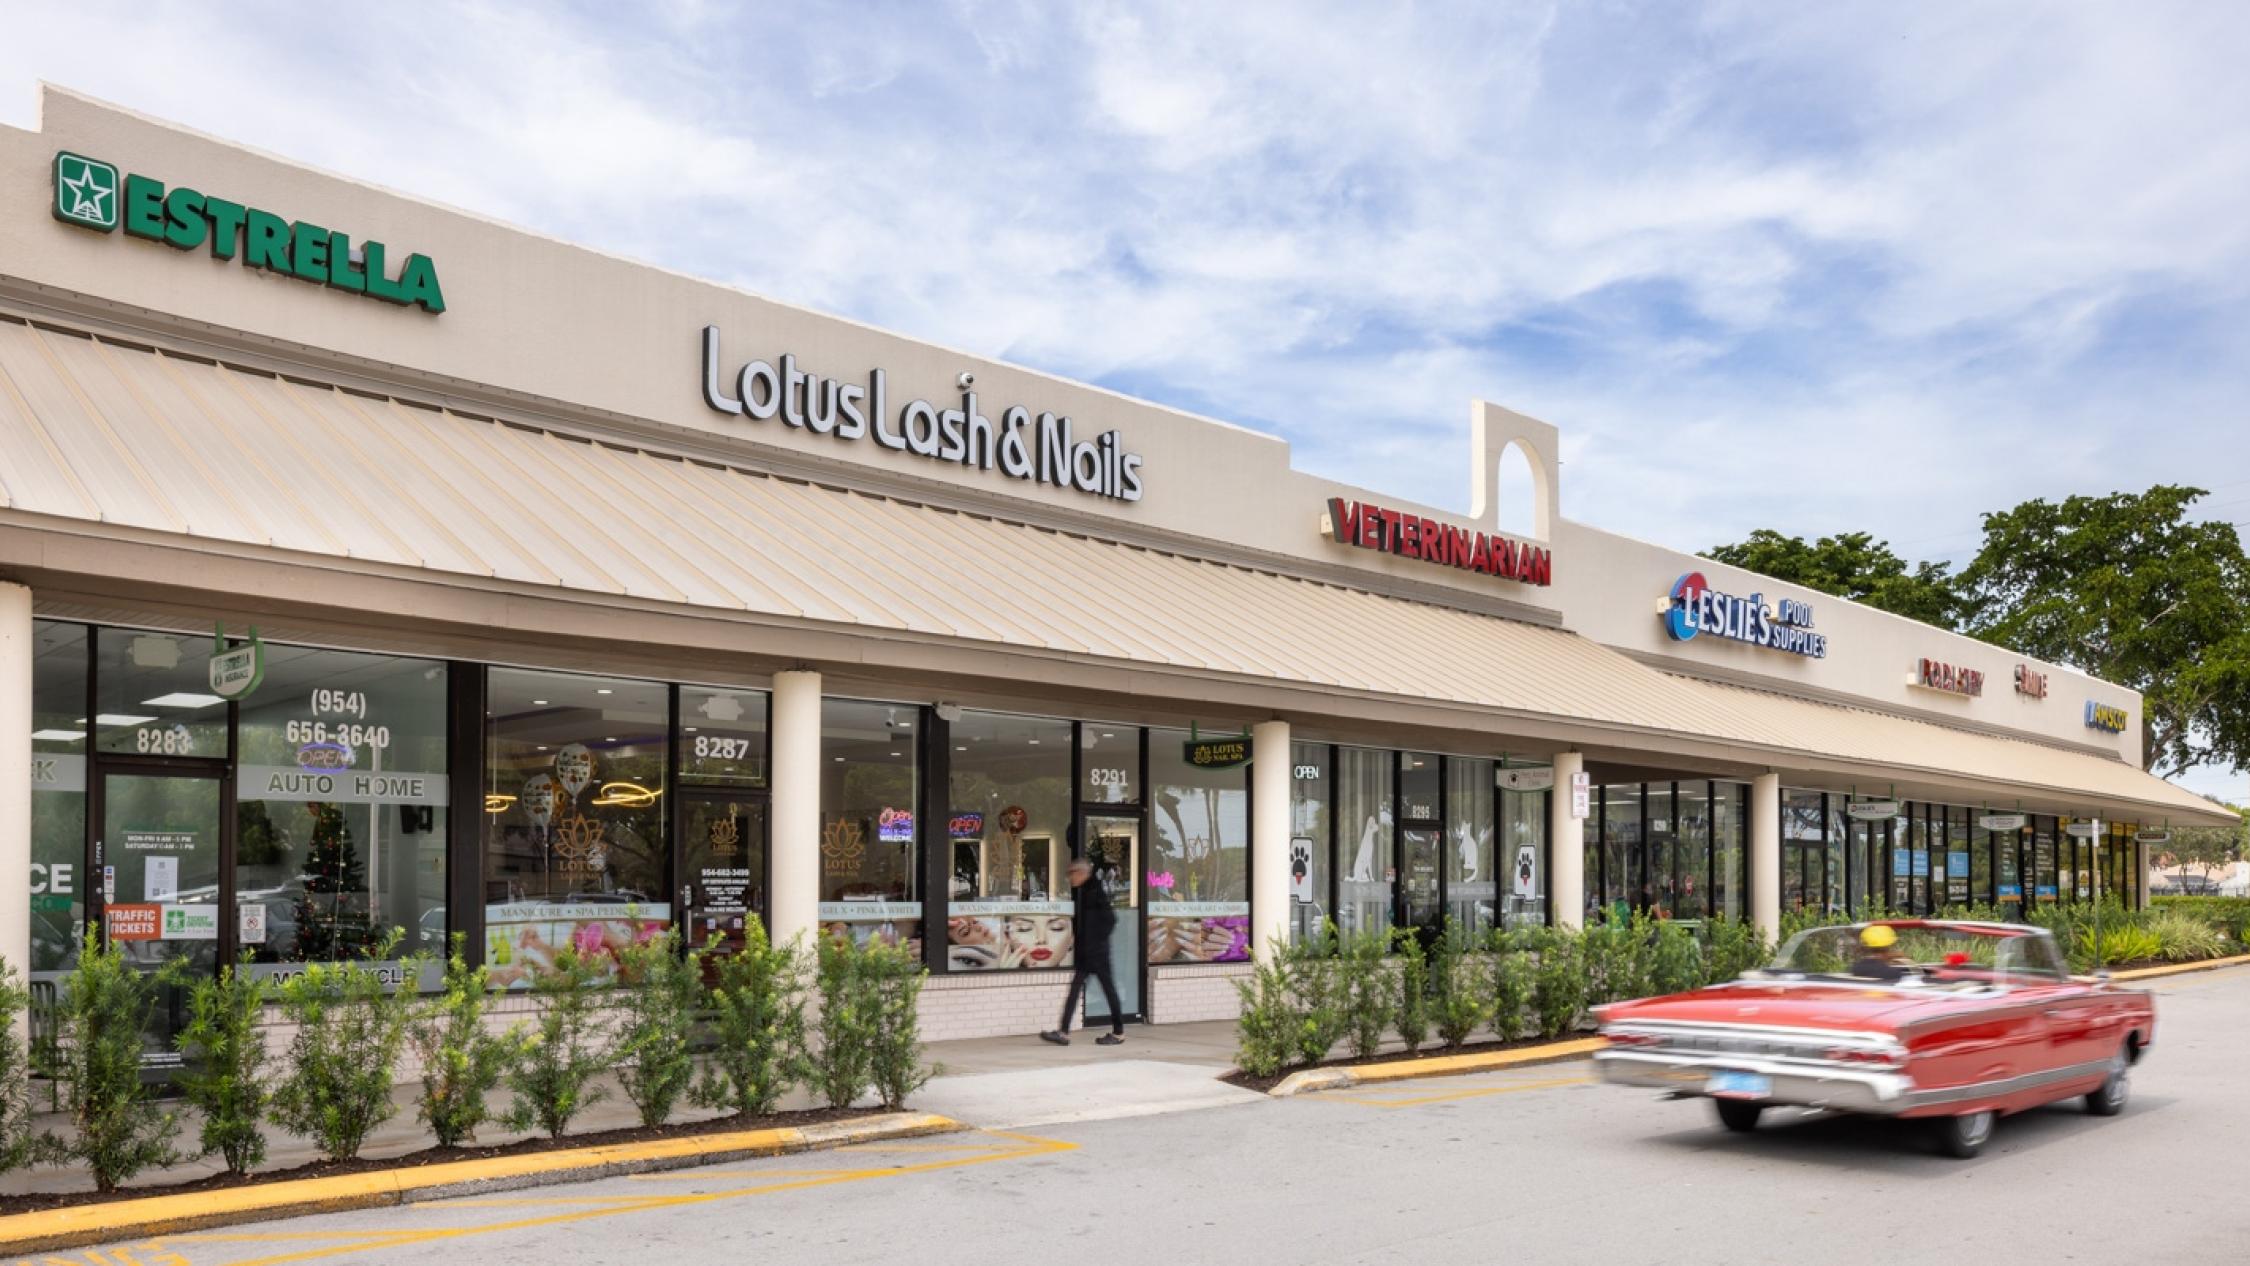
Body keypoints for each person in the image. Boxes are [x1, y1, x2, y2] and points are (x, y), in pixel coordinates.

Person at [1042, 857, 1124, 1046]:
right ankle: (1063, 1032)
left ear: (1082, 873)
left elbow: (1110, 920)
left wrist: (1095, 942)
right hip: (1088, 953)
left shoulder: (1095, 892)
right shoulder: (1085, 891)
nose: (1070, 878)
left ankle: (1118, 1033)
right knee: (1075, 991)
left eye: (1072, 873)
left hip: (1097, 953)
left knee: (1109, 991)